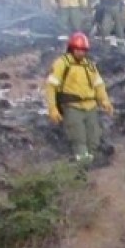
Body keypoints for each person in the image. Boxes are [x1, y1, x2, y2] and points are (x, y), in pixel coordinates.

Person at [44, 32, 114, 165]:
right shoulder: (62, 63)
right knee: (78, 138)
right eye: (78, 50)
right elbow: (51, 86)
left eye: (83, 50)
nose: (81, 53)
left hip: (91, 106)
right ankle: (82, 167)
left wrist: (105, 101)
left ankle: (89, 164)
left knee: (94, 139)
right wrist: (52, 108)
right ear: (71, 49)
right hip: (72, 106)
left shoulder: (89, 65)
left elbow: (98, 84)